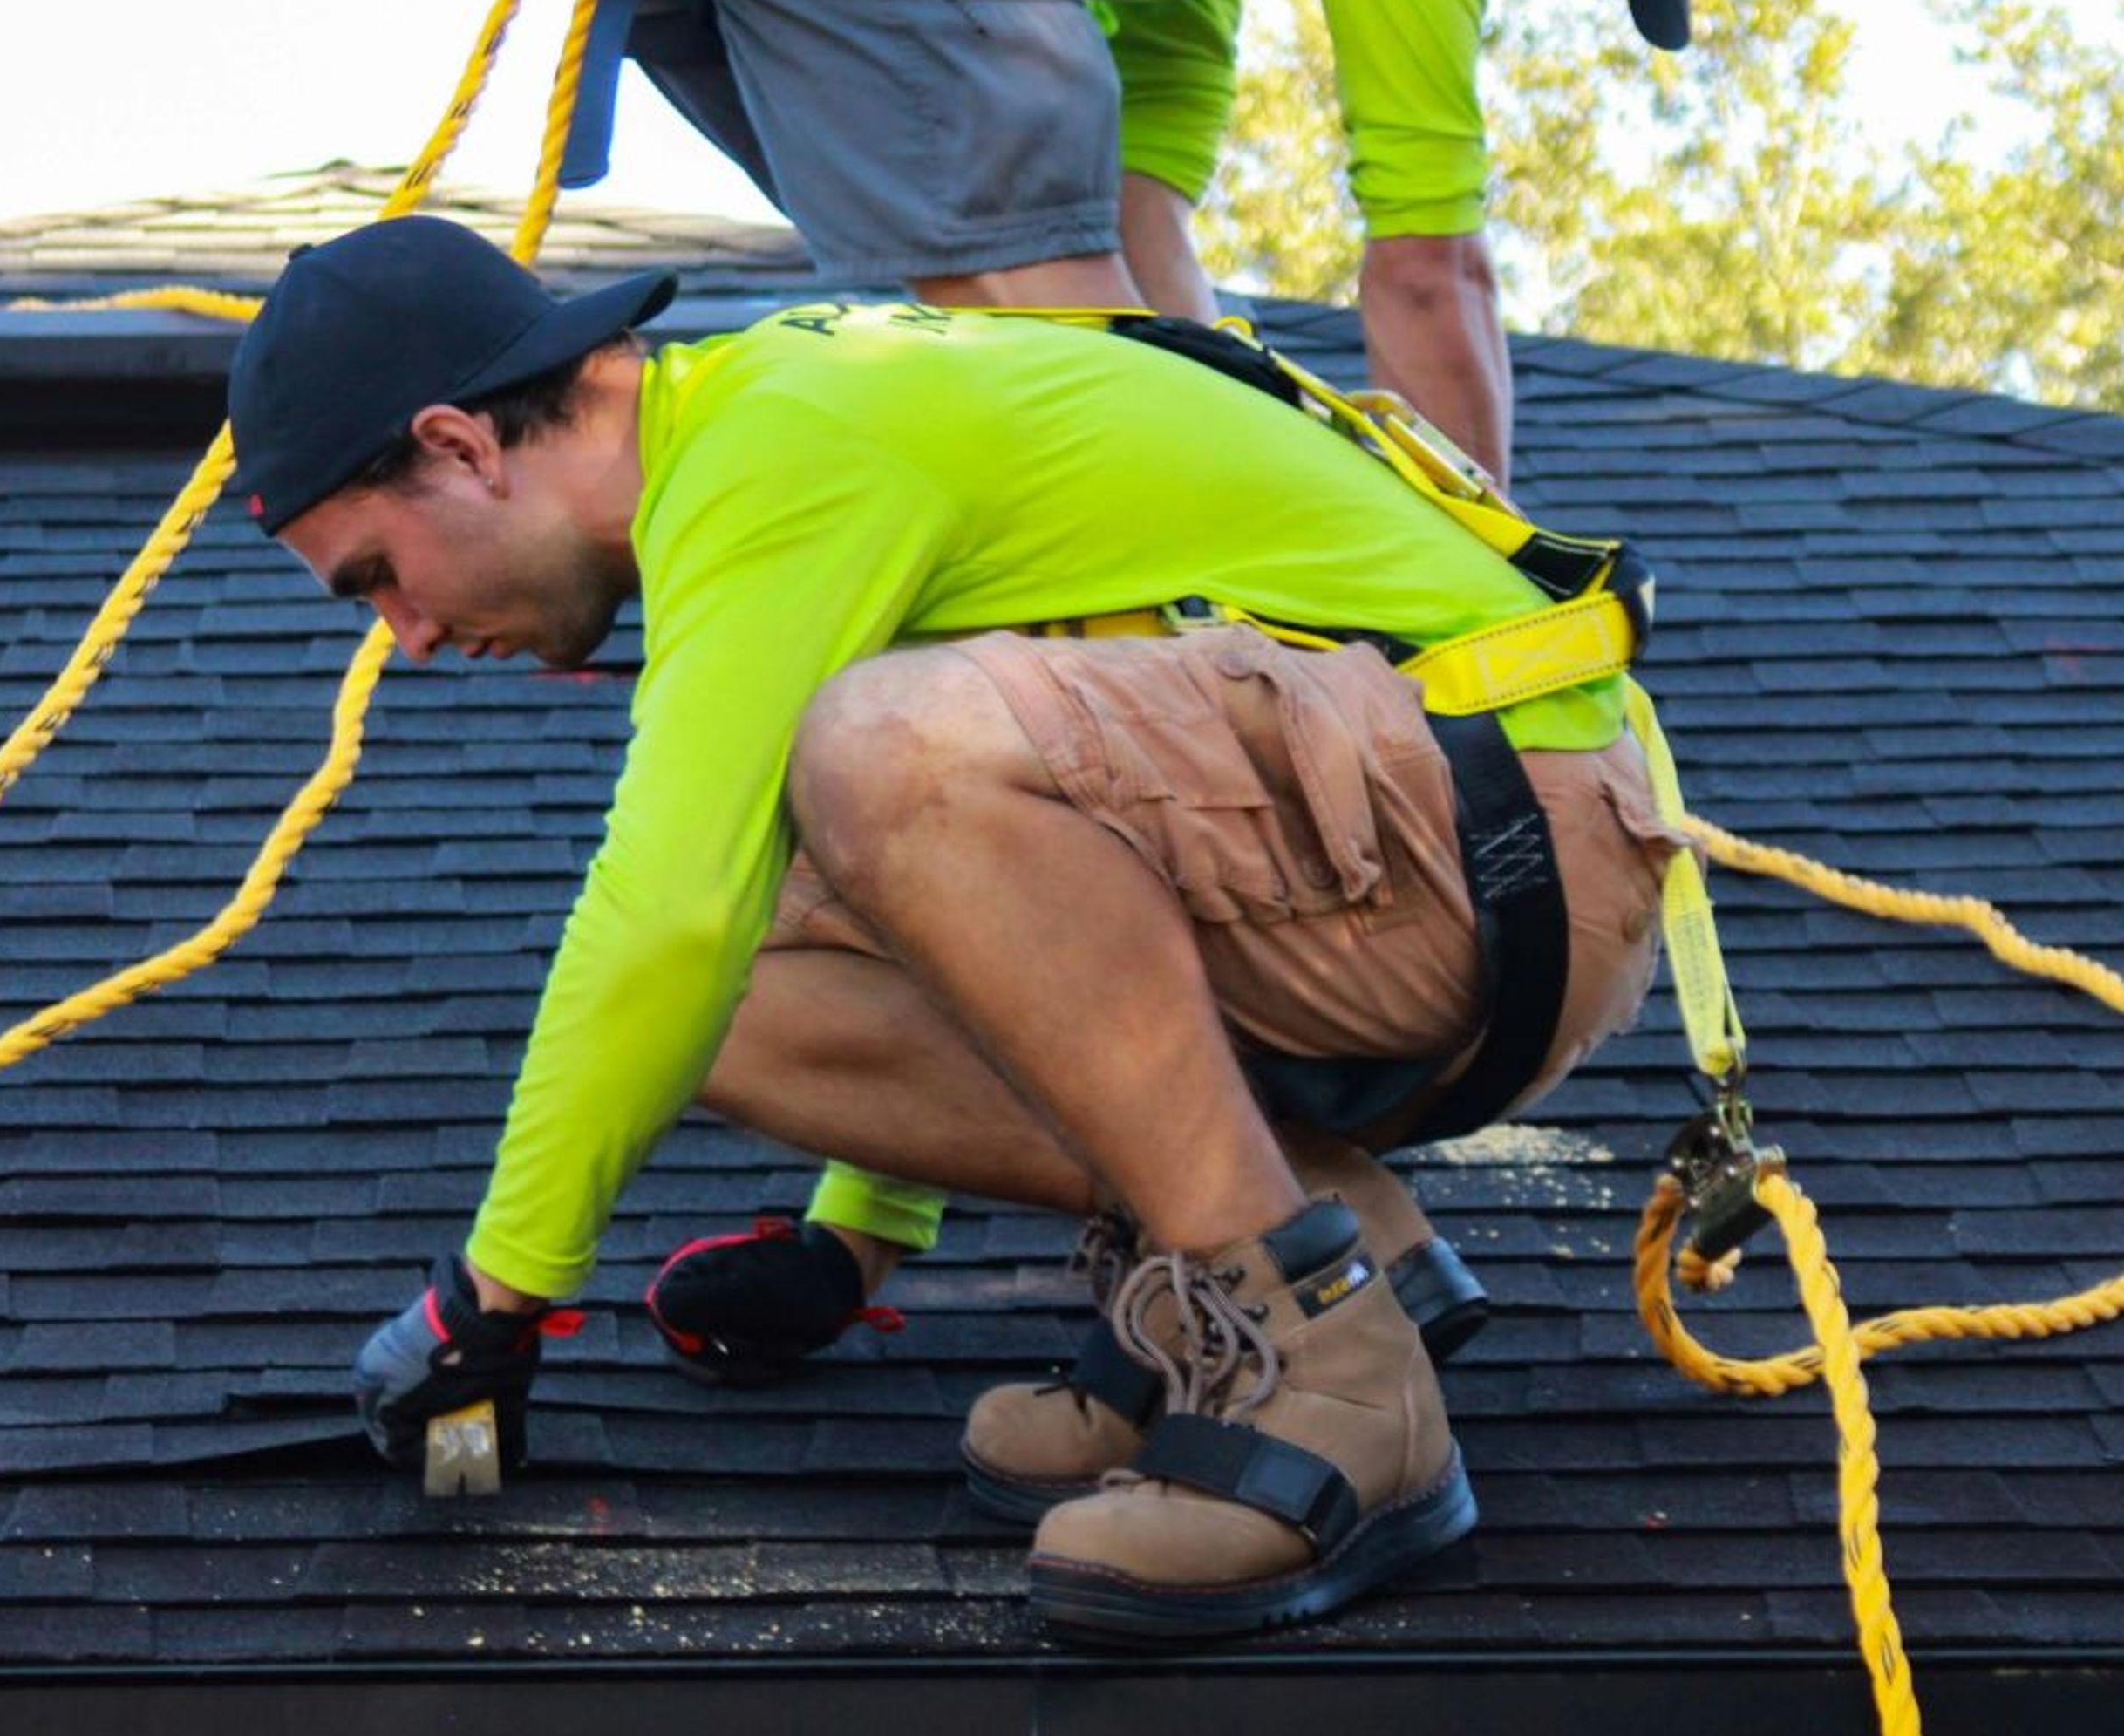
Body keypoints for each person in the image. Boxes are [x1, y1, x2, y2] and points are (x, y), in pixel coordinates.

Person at [227, 215, 1678, 1641]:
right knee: (735, 962)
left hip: (1493, 829)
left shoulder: (779, 441)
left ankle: (1342, 1383)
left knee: (844, 771)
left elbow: (667, 908)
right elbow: (899, 898)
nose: (406, 639)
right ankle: (1303, 1241)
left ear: (461, 445)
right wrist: (852, 1240)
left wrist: (488, 1304)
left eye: (376, 576)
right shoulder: (776, 421)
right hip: (1400, 843)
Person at [510, 0, 1780, 483]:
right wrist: (1488, 602)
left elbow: (1133, 219)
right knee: (1098, 418)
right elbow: (1430, 267)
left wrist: (1245, 452)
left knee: (1057, 382)